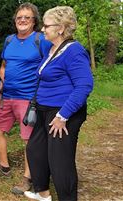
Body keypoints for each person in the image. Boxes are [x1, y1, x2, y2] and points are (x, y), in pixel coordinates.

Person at [23, 6, 94, 201]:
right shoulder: (52, 48)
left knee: (60, 162)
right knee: (35, 151)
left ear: (61, 28)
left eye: (47, 25)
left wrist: (63, 116)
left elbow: (84, 85)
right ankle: (43, 193)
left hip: (63, 113)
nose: (43, 29)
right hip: (44, 110)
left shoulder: (74, 51)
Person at [0, 2, 52, 195]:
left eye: (27, 17)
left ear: (34, 21)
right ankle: (4, 166)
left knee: (28, 140)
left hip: (29, 99)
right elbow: (4, 66)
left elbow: (52, 65)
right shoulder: (9, 40)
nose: (22, 20)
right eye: (19, 17)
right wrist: (0, 90)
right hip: (7, 96)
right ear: (15, 21)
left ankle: (28, 178)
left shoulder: (41, 40)